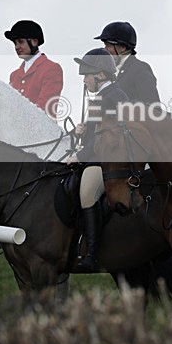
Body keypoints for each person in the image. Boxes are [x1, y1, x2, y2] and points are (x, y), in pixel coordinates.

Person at [65, 48, 129, 271]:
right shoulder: (101, 97)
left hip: (108, 160)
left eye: (87, 75)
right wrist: (82, 131)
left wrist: (79, 156)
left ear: (100, 75)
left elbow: (105, 139)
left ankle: (92, 254)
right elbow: (95, 133)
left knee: (87, 192)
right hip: (96, 155)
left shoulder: (114, 97)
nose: (84, 80)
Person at [5, 19, 64, 118]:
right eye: (15, 43)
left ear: (34, 42)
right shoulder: (14, 75)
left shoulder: (52, 68)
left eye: (20, 42)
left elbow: (44, 108)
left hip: (41, 126)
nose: (17, 47)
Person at [94, 21, 160, 104]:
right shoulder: (108, 73)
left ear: (122, 47)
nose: (105, 49)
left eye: (109, 45)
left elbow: (154, 107)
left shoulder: (140, 69)